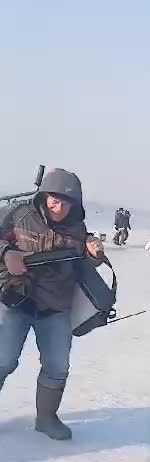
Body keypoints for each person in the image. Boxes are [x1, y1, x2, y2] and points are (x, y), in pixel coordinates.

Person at [0, 168, 104, 440]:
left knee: (57, 366)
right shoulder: (19, 216)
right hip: (17, 301)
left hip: (56, 308)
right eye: (53, 200)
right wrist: (7, 251)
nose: (58, 207)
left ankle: (46, 418)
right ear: (43, 196)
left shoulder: (77, 229)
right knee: (4, 361)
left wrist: (93, 254)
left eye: (66, 202)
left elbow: (82, 263)